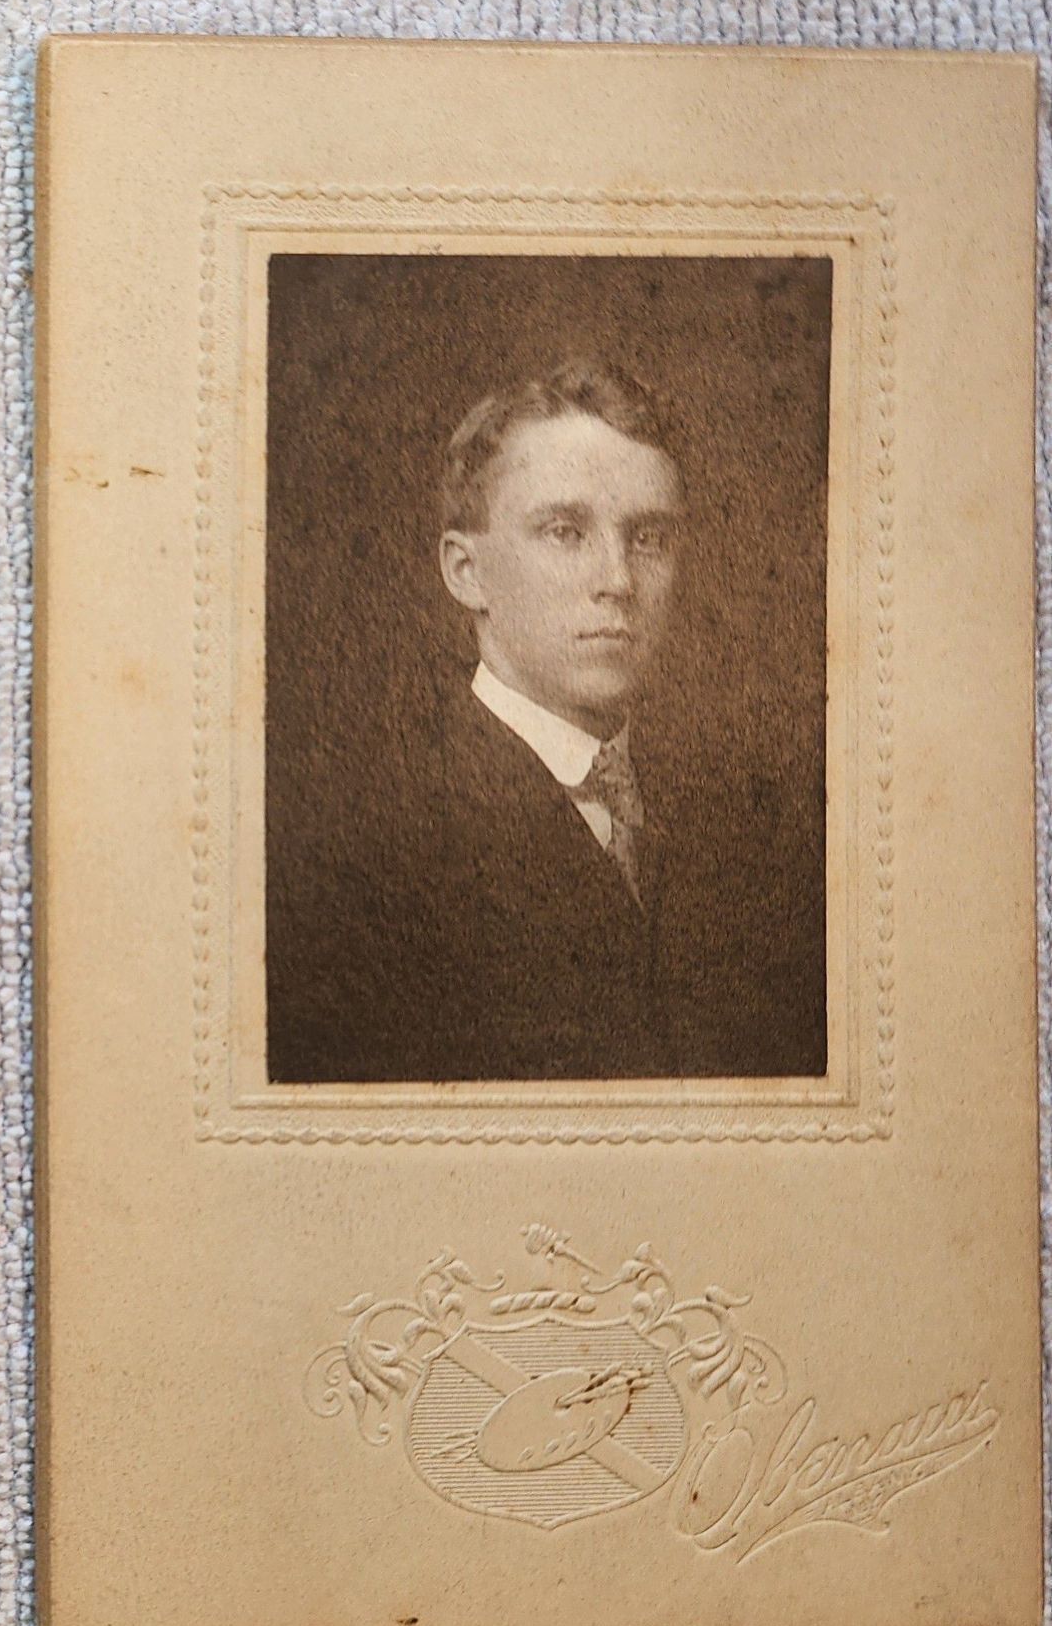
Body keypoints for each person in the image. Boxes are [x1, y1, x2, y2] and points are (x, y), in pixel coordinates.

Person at [265, 359, 826, 1084]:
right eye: (564, 532)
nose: (617, 581)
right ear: (466, 572)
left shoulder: (748, 831)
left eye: (648, 538)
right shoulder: (369, 847)